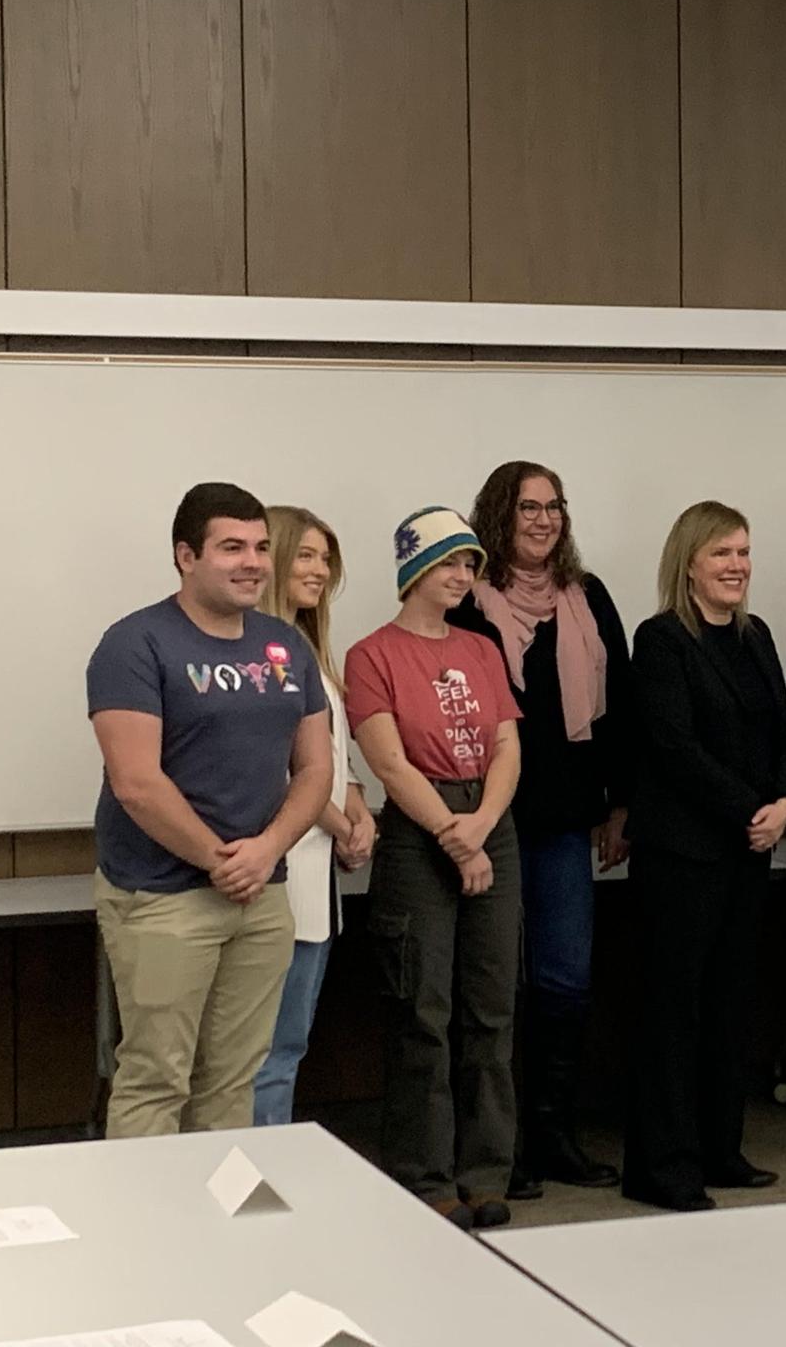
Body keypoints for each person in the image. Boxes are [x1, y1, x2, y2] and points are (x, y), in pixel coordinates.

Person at [87, 482, 333, 1138]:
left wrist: (267, 850)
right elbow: (136, 781)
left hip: (260, 893)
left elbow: (315, 769)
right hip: (164, 896)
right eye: (231, 547)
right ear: (185, 556)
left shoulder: (285, 646)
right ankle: (147, 1234)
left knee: (235, 1080)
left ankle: (213, 1234)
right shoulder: (135, 643)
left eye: (258, 547)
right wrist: (221, 859)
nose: (252, 561)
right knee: (156, 1078)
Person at [449, 461, 635, 1195]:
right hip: (488, 821)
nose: (543, 519)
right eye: (528, 507)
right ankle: (501, 1146)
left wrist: (623, 804)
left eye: (554, 506)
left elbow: (620, 706)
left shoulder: (586, 599)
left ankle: (555, 1135)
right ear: (499, 513)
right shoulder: (466, 602)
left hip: (566, 823)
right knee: (493, 986)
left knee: (564, 979)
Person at [347, 508, 524, 1229]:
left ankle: (487, 1173)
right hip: (422, 830)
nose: (461, 577)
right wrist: (455, 834)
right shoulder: (372, 654)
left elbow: (509, 745)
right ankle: (426, 1175)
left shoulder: (481, 648)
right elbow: (388, 760)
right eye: (449, 563)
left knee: (491, 1006)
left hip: (490, 822)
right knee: (425, 1009)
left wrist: (481, 825)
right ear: (414, 569)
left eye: (470, 565)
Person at [624, 502, 786, 1211]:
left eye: (745, 552)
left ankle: (720, 1149)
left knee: (732, 1006)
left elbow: (785, 732)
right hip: (683, 856)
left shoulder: (756, 635)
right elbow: (674, 749)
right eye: (722, 552)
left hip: (749, 852)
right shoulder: (662, 640)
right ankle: (663, 1169)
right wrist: (748, 811)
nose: (737, 565)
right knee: (675, 1014)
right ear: (689, 561)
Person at [251, 506, 376, 1126]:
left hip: (317, 877)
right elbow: (274, 767)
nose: (319, 570)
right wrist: (335, 819)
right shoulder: (258, 652)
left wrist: (356, 807)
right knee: (267, 1053)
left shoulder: (310, 651)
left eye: (325, 558)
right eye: (304, 555)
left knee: (289, 1045)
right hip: (280, 874)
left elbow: (331, 753)